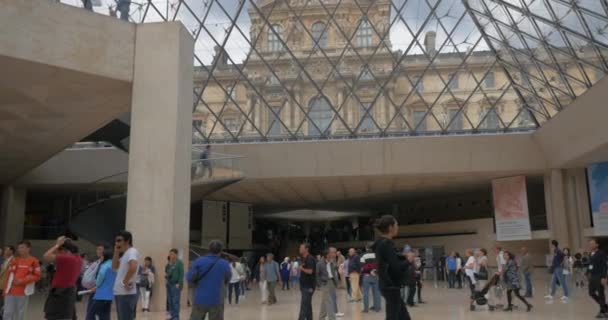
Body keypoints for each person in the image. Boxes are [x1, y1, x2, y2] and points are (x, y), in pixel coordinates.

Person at [372, 215, 411, 320]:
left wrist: (402, 256)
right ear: (390, 227)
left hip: (386, 285)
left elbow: (388, 260)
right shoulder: (387, 243)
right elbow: (396, 267)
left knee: (403, 317)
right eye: (396, 225)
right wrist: (408, 261)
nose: (398, 227)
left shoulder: (380, 243)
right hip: (391, 286)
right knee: (393, 317)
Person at [187, 240, 231, 320]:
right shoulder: (224, 264)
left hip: (200, 298)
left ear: (209, 249)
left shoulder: (199, 261)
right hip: (217, 300)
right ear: (220, 251)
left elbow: (189, 278)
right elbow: (227, 279)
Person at [43, 236, 82, 320]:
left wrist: (57, 245)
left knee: (54, 316)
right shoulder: (78, 258)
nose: (56, 252)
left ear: (64, 249)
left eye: (58, 250)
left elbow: (46, 256)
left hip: (60, 292)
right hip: (70, 291)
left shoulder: (65, 258)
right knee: (68, 316)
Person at [2, 241, 40, 320]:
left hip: (23, 292)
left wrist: (22, 281)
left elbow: (37, 276)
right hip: (10, 291)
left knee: (20, 313)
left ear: (28, 248)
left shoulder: (34, 261)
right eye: (19, 248)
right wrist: (5, 290)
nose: (19, 249)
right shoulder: (15, 260)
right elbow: (8, 276)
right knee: (7, 312)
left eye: (22, 247)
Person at [112, 230, 140, 320]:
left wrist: (125, 281)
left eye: (119, 240)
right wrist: (116, 252)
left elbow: (133, 267)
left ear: (127, 241)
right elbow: (114, 266)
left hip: (126, 294)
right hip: (120, 293)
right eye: (116, 241)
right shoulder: (125, 254)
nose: (117, 243)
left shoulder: (132, 251)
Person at [87, 248, 116, 320]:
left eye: (102, 256)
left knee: (90, 314)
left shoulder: (104, 265)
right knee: (104, 315)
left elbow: (99, 280)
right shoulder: (114, 265)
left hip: (101, 295)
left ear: (105, 256)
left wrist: (96, 285)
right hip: (109, 295)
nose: (101, 257)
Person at [588, 239, 608, 318]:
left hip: (599, 276)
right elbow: (591, 264)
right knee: (591, 293)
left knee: (601, 293)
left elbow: (604, 266)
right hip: (592, 276)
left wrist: (604, 277)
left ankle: (603, 312)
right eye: (590, 244)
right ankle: (605, 307)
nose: (591, 245)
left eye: (592, 244)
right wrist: (587, 272)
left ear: (597, 245)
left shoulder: (601, 253)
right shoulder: (591, 254)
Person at [317, 249, 337, 320]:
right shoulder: (320, 263)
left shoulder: (331, 262)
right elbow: (317, 275)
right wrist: (319, 284)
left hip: (331, 282)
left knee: (324, 301)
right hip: (324, 283)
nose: (333, 254)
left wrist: (336, 283)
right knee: (328, 301)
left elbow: (333, 273)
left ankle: (321, 317)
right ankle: (332, 318)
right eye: (331, 253)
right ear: (327, 255)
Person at [298, 243, 316, 320]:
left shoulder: (310, 258)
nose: (299, 249)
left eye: (301, 247)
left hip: (308, 287)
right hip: (304, 286)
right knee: (308, 305)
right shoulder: (303, 258)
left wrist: (301, 269)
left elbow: (310, 271)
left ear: (306, 249)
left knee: (304, 306)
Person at [361, 244, 381, 313]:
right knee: (377, 292)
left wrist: (369, 271)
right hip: (376, 275)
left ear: (366, 248)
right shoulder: (377, 255)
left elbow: (362, 267)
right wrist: (375, 271)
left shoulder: (364, 256)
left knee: (366, 293)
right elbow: (381, 265)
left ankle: (366, 309)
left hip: (366, 276)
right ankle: (377, 308)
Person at [166, 248, 184, 319]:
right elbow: (167, 273)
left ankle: (176, 317)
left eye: (172, 254)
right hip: (169, 284)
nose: (170, 255)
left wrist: (179, 283)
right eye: (170, 254)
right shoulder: (170, 263)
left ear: (176, 255)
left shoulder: (179, 263)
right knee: (170, 301)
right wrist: (169, 265)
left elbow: (181, 274)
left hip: (176, 284)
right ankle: (172, 315)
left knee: (175, 301)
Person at [0, 246, 15, 312]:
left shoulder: (14, 261)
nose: (5, 251)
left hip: (6, 285)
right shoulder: (5, 260)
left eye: (6, 250)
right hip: (1, 284)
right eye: (5, 250)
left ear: (11, 251)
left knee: (5, 303)